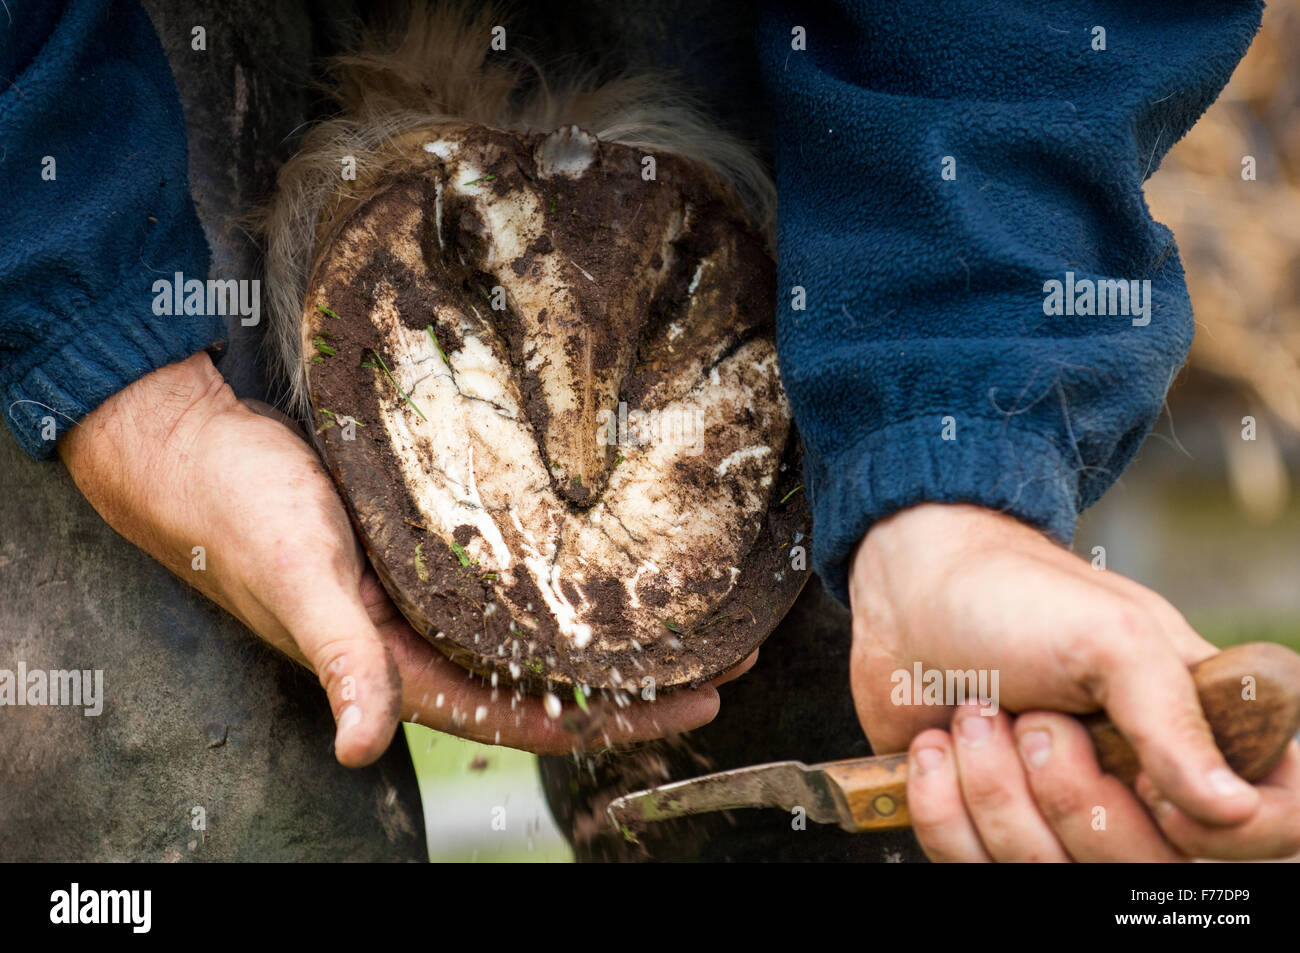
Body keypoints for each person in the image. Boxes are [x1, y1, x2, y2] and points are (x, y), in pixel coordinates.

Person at [3, 0, 1297, 863]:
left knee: (839, 733)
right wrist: (114, 375)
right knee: (131, 764)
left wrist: (942, 457)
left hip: (770, 31)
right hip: (88, 61)